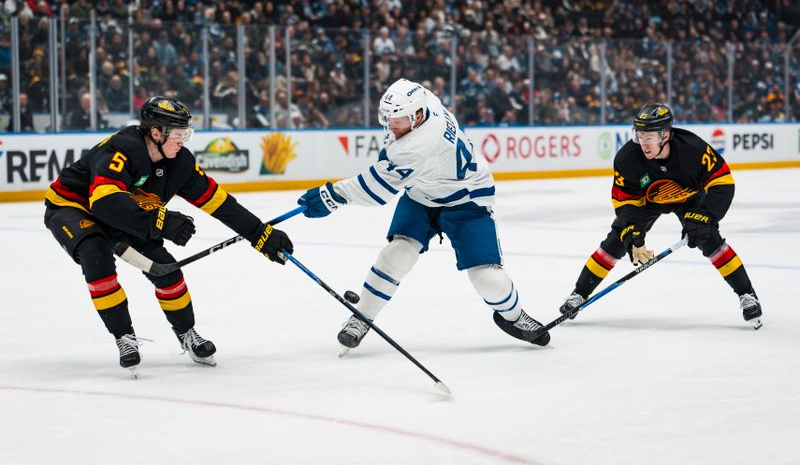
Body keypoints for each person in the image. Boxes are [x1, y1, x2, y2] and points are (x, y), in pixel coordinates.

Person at [43, 96, 294, 374]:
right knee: (96, 255)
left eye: (186, 134)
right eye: (178, 134)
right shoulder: (121, 150)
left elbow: (220, 203)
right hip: (73, 208)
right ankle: (123, 337)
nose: (183, 141)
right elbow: (104, 204)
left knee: (167, 271)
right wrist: (160, 221)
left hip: (129, 216)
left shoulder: (180, 163)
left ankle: (187, 333)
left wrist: (259, 233)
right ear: (155, 133)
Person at [297, 78, 550, 352]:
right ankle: (361, 317)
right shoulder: (424, 100)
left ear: (418, 117)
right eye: (387, 118)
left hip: (467, 199)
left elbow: (376, 190)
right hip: (423, 192)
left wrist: (331, 195)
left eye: (398, 119)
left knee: (488, 279)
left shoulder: (420, 145)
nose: (390, 126)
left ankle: (515, 316)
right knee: (397, 254)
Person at [559, 103, 763, 329]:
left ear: (665, 134)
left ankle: (747, 294)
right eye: (639, 135)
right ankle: (578, 294)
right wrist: (632, 229)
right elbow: (625, 200)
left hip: (689, 198)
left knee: (710, 239)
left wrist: (707, 216)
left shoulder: (693, 149)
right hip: (647, 202)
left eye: (648, 137)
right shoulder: (627, 158)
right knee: (616, 241)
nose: (642, 142)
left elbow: (723, 182)